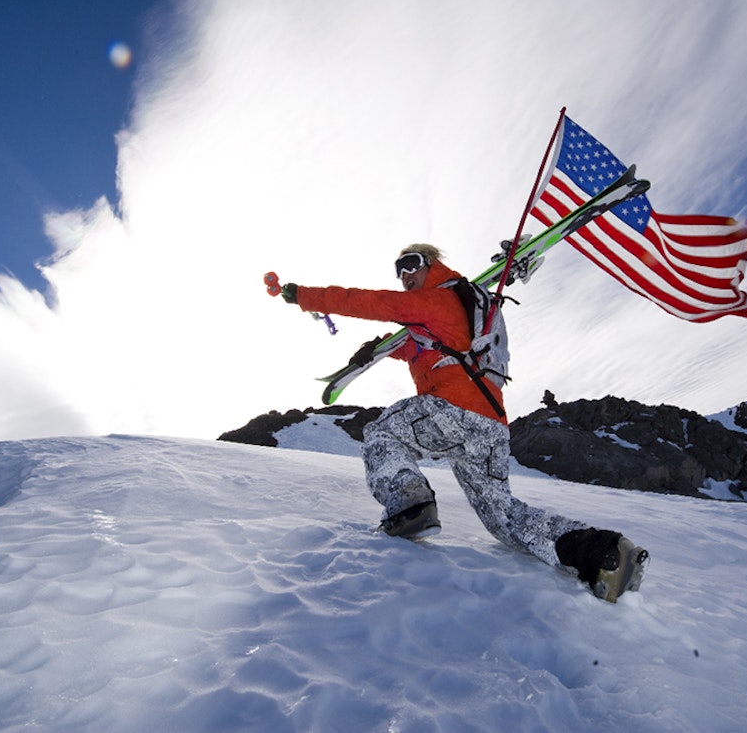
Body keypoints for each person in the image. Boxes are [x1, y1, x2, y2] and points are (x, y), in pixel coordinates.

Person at [278, 244, 648, 602]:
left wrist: (306, 296)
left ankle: (410, 505)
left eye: (412, 263)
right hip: (489, 428)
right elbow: (421, 346)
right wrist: (380, 351)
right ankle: (603, 554)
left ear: (432, 263)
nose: (405, 275)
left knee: (382, 433)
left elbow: (374, 302)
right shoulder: (457, 310)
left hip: (454, 411)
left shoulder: (439, 297)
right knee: (502, 519)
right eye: (398, 269)